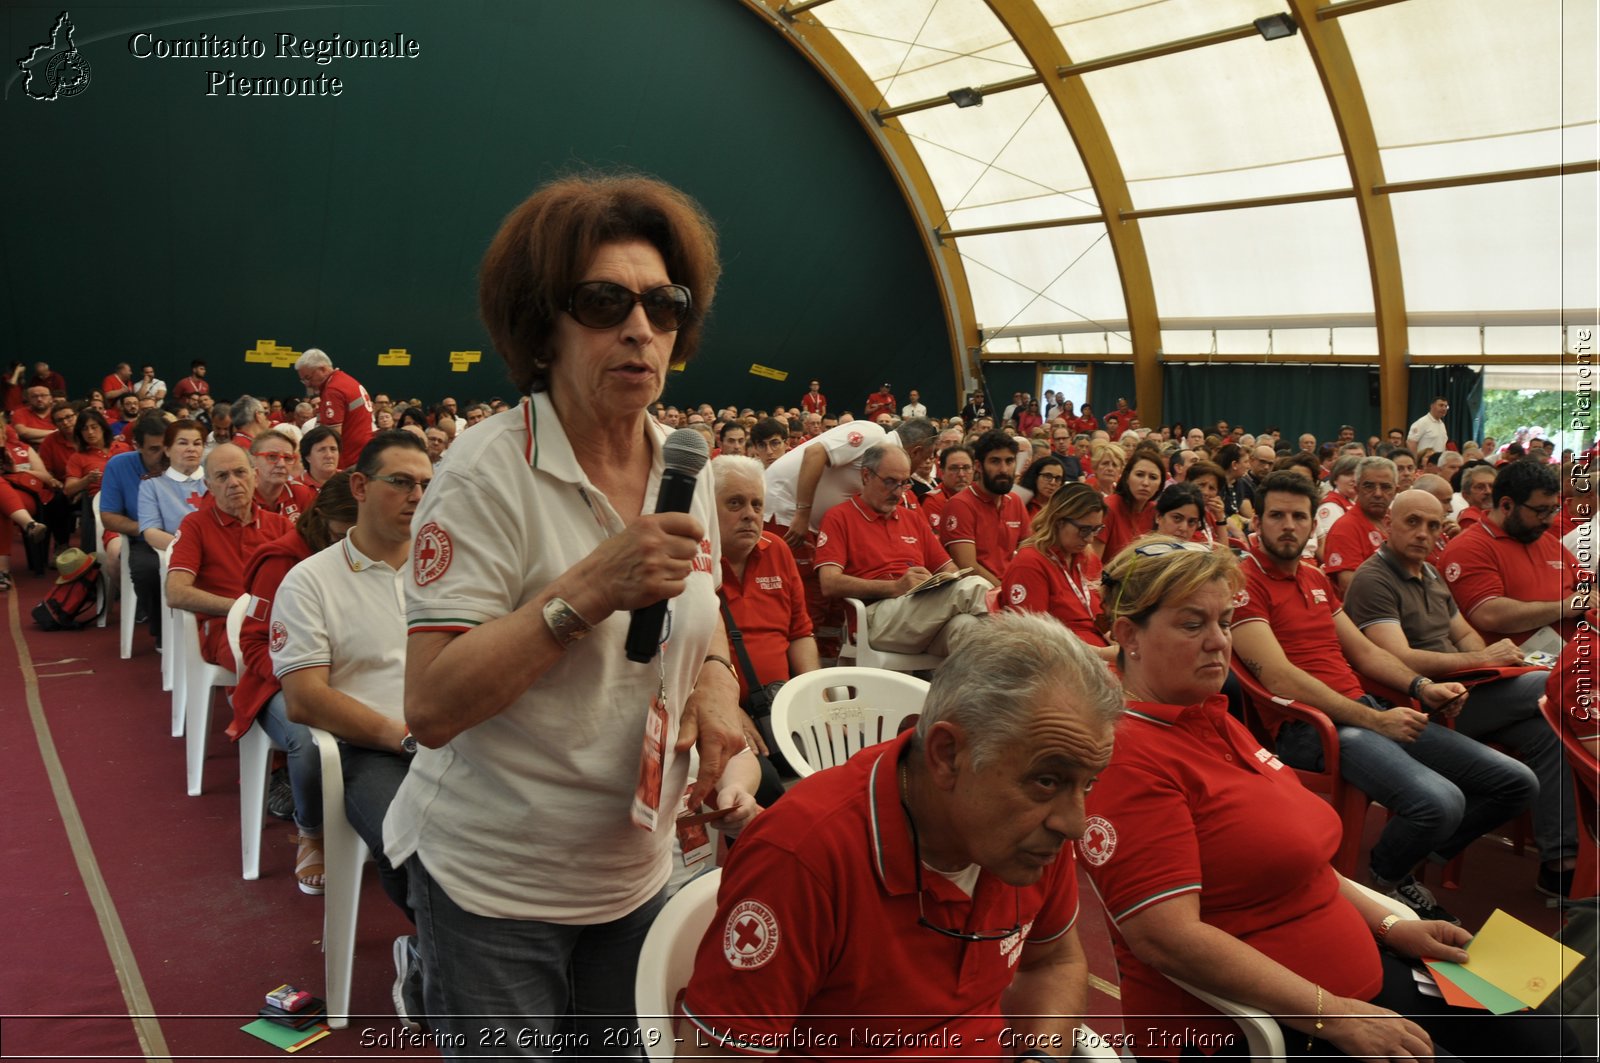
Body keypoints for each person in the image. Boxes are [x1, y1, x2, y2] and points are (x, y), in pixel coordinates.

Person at [382, 174, 747, 1057]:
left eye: (664, 304)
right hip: (498, 883)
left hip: (634, 871)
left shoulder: (686, 462)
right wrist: (585, 591)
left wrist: (719, 691)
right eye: (602, 302)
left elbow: (706, 624)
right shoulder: (481, 474)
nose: (639, 328)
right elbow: (430, 706)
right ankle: (424, 974)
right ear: (540, 326)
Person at [1084, 536, 1575, 1062]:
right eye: (1191, 624)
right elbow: (1167, 940)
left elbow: (1306, 863)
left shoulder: (1213, 717)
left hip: (1367, 966)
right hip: (1269, 1022)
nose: (1218, 642)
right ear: (1128, 636)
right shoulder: (1127, 758)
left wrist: (1394, 925)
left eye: (1224, 622)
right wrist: (1334, 1014)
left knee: (1552, 1029)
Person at [680, 611, 1122, 1055]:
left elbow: (1052, 962)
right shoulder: (801, 856)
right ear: (947, 755)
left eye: (1088, 784)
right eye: (1047, 780)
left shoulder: (1031, 836)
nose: (1075, 824)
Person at [1231, 472, 1536, 921]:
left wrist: (1421, 688)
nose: (1289, 526)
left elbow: (1367, 653)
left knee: (1516, 782)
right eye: (1277, 515)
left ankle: (1411, 859)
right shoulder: (1244, 580)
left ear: (1313, 524)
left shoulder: (1314, 578)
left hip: (1363, 712)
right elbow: (1279, 677)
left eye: (1299, 516)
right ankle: (1387, 879)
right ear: (1257, 520)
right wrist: (1374, 720)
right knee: (1441, 802)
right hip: (1311, 729)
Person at [1344, 488, 1578, 898]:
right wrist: (1481, 660)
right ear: (1387, 526)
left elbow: (1464, 633)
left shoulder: (1429, 572)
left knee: (1548, 732)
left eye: (1433, 525)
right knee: (1552, 683)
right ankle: (1412, 858)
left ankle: (1559, 861)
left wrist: (1487, 660)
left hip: (1468, 690)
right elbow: (1399, 658)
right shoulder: (1372, 579)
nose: (1424, 533)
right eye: (1412, 522)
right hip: (1420, 702)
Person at [815, 443, 990, 655]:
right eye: (890, 482)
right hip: (875, 618)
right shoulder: (840, 517)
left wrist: (938, 584)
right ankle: (1028, 648)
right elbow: (829, 583)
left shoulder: (911, 517)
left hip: (920, 615)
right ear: (866, 476)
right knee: (976, 587)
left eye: (904, 483)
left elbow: (950, 568)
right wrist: (894, 587)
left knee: (967, 627)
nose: (898, 492)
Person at [166, 444, 293, 669]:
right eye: (222, 476)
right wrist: (241, 609)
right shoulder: (196, 525)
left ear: (254, 476)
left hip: (280, 623)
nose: (233, 482)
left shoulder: (281, 525)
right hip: (226, 626)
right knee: (274, 666)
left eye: (240, 472)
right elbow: (176, 592)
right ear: (209, 486)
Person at [1441, 459, 1588, 648]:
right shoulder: (1468, 548)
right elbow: (1490, 615)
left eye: (1554, 509)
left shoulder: (1544, 538)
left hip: (1570, 654)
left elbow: (1586, 584)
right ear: (1506, 506)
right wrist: (1565, 607)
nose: (1550, 521)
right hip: (1518, 666)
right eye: (1541, 511)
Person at [1001, 482, 1115, 661]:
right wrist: (1100, 654)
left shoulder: (1087, 558)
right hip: (1066, 662)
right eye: (1084, 530)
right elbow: (1033, 640)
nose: (1090, 538)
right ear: (1059, 521)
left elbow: (1100, 613)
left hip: (1100, 651)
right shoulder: (1030, 564)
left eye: (1096, 529)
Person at [939, 429, 1027, 586]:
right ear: (978, 466)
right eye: (995, 461)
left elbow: (1029, 550)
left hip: (1012, 587)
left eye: (1009, 461)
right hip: (978, 594)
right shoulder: (960, 505)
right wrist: (1004, 591)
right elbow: (968, 567)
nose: (1004, 470)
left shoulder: (1015, 501)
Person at [1322, 457, 1399, 595]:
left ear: (1396, 491)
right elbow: (1352, 587)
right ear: (1357, 489)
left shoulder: (1398, 522)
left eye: (1386, 487)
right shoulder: (1345, 529)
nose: (1377, 493)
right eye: (1369, 486)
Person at [296, 349, 374, 469]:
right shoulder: (346, 381)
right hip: (363, 456)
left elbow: (331, 437)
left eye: (308, 377)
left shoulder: (333, 390)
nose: (307, 384)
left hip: (349, 462)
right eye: (303, 380)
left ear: (322, 369)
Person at [136, 420, 207, 552]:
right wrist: (191, 548)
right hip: (179, 553)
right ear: (167, 450)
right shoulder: (152, 485)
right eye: (183, 443)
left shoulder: (216, 479)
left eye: (197, 443)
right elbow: (151, 532)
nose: (191, 449)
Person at [1098, 446, 1163, 561]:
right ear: (1127, 477)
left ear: (1160, 485)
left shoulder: (1156, 512)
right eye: (1139, 475)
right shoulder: (1108, 507)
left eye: (1153, 477)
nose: (1145, 483)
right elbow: (1093, 563)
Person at [1017, 453, 1066, 520]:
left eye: (1058, 478)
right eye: (1048, 476)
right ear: (1035, 477)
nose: (1053, 483)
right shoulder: (1021, 502)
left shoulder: (1063, 507)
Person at [298, 425, 342, 491]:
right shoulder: (295, 488)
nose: (329, 455)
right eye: (322, 450)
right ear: (307, 457)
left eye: (333, 449)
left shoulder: (349, 482)